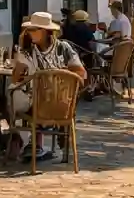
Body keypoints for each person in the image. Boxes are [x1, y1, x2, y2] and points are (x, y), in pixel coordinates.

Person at [8, 11, 86, 161]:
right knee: (21, 94)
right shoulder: (59, 49)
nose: (28, 33)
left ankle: (19, 140)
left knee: (11, 95)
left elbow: (15, 79)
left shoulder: (60, 48)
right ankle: (33, 144)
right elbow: (81, 74)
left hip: (46, 104)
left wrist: (58, 80)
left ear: (44, 32)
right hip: (61, 106)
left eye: (32, 29)